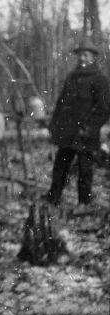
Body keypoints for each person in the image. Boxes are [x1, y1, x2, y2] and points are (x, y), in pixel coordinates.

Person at [47, 37, 110, 210]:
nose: (83, 58)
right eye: (81, 55)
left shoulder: (100, 79)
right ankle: (53, 199)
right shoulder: (71, 77)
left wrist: (89, 128)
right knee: (60, 167)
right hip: (66, 133)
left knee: (85, 171)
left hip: (85, 135)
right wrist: (53, 125)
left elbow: (105, 109)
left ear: (93, 57)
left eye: (87, 55)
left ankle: (83, 204)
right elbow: (61, 103)